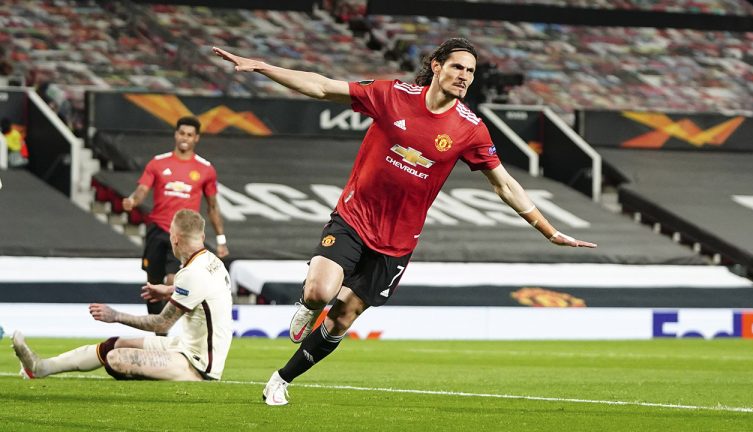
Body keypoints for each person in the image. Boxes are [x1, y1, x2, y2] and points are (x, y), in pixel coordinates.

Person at [213, 38, 596, 406]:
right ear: (436, 66)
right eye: (457, 67)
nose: (464, 75)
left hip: (397, 242)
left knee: (344, 316)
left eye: (471, 71)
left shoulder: (470, 128)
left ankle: (281, 379)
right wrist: (263, 67)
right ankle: (307, 305)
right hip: (354, 217)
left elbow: (505, 185)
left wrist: (548, 230)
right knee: (319, 292)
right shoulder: (392, 95)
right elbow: (323, 87)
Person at [11, 209, 233, 381]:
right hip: (186, 347)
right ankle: (41, 368)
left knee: (116, 360)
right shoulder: (212, 261)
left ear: (174, 239)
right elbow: (204, 292)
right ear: (202, 235)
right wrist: (167, 290)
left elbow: (161, 324)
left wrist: (115, 315)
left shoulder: (191, 273)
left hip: (199, 365)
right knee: (112, 345)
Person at [122, 115, 229, 325]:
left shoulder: (205, 169)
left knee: (173, 279)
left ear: (196, 138)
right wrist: (133, 200)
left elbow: (213, 207)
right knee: (152, 284)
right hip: (158, 230)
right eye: (182, 133)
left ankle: (170, 326)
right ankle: (159, 332)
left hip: (184, 234)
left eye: (190, 135)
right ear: (176, 134)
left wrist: (221, 239)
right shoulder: (158, 163)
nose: (185, 138)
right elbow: (143, 188)